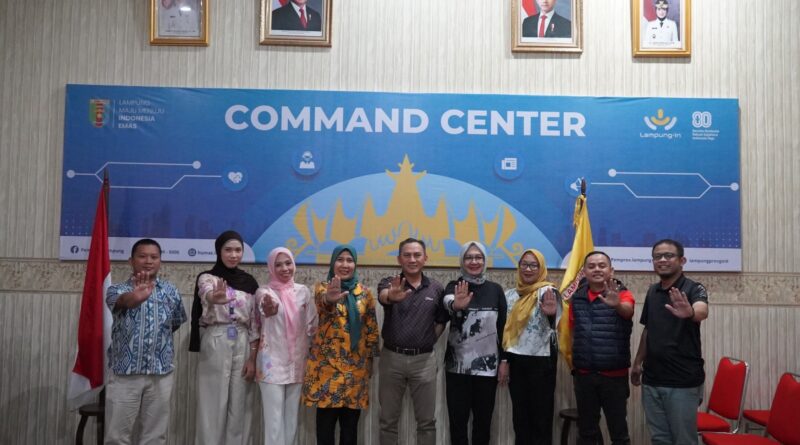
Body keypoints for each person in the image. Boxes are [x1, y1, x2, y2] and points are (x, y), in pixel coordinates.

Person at [104, 238, 187, 445]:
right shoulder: (117, 290)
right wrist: (135, 298)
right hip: (125, 374)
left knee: (155, 437)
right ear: (131, 260)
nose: (148, 261)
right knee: (117, 437)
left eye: (154, 257)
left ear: (160, 261)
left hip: (161, 374)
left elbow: (175, 323)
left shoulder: (171, 291)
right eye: (142, 256)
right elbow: (122, 302)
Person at [631, 239, 709, 445]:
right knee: (660, 439)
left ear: (682, 260)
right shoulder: (652, 291)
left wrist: (690, 313)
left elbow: (702, 311)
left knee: (684, 440)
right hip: (652, 379)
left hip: (682, 380)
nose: (662, 260)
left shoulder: (693, 288)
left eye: (669, 255)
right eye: (657, 256)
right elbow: (648, 329)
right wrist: (638, 362)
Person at [302, 244, 379, 445]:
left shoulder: (365, 293)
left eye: (349, 260)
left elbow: (371, 328)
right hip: (327, 370)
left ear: (355, 264)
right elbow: (323, 304)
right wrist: (330, 299)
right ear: (332, 263)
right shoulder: (322, 288)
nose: (345, 264)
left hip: (355, 372)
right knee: (325, 430)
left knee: (350, 431)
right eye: (340, 259)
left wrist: (371, 360)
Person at [189, 230, 259, 445]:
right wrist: (214, 297)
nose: (233, 255)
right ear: (219, 251)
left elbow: (255, 322)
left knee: (240, 405)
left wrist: (253, 358)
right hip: (217, 337)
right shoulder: (207, 278)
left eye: (238, 250)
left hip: (243, 339)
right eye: (228, 250)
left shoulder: (249, 282)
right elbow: (206, 294)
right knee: (212, 403)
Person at [377, 238, 449, 445]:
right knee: (388, 421)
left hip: (424, 362)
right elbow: (383, 296)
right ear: (399, 259)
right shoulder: (390, 283)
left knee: (427, 422)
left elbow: (441, 322)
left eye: (417, 255)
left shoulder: (436, 288)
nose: (412, 259)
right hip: (392, 359)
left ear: (425, 258)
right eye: (407, 255)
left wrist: (427, 340)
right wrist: (391, 296)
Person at [250, 247, 318, 445]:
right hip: (271, 364)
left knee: (292, 419)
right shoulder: (264, 292)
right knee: (274, 421)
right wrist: (269, 308)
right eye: (278, 265)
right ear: (271, 268)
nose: (284, 268)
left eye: (288, 263)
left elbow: (312, 325)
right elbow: (264, 310)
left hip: (297, 361)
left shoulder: (303, 292)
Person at [443, 241, 508, 445]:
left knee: (483, 424)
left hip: (487, 369)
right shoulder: (454, 286)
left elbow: (503, 328)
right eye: (469, 257)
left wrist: (504, 361)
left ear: (485, 260)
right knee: (458, 423)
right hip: (457, 369)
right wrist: (456, 305)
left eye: (478, 257)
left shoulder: (495, 290)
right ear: (462, 261)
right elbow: (447, 302)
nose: (474, 261)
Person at [569, 251, 635, 445]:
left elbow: (628, 312)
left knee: (619, 433)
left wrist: (617, 305)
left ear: (611, 270)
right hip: (584, 376)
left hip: (614, 377)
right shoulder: (577, 298)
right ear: (584, 272)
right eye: (591, 266)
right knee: (586, 433)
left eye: (601, 265)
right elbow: (573, 331)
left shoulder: (623, 294)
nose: (596, 269)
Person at [502, 248, 566, 445]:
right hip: (516, 361)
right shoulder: (510, 295)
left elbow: (557, 325)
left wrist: (551, 314)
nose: (528, 269)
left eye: (533, 265)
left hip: (542, 362)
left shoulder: (548, 292)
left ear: (541, 268)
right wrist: (504, 361)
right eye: (524, 264)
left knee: (541, 417)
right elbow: (505, 332)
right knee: (520, 416)